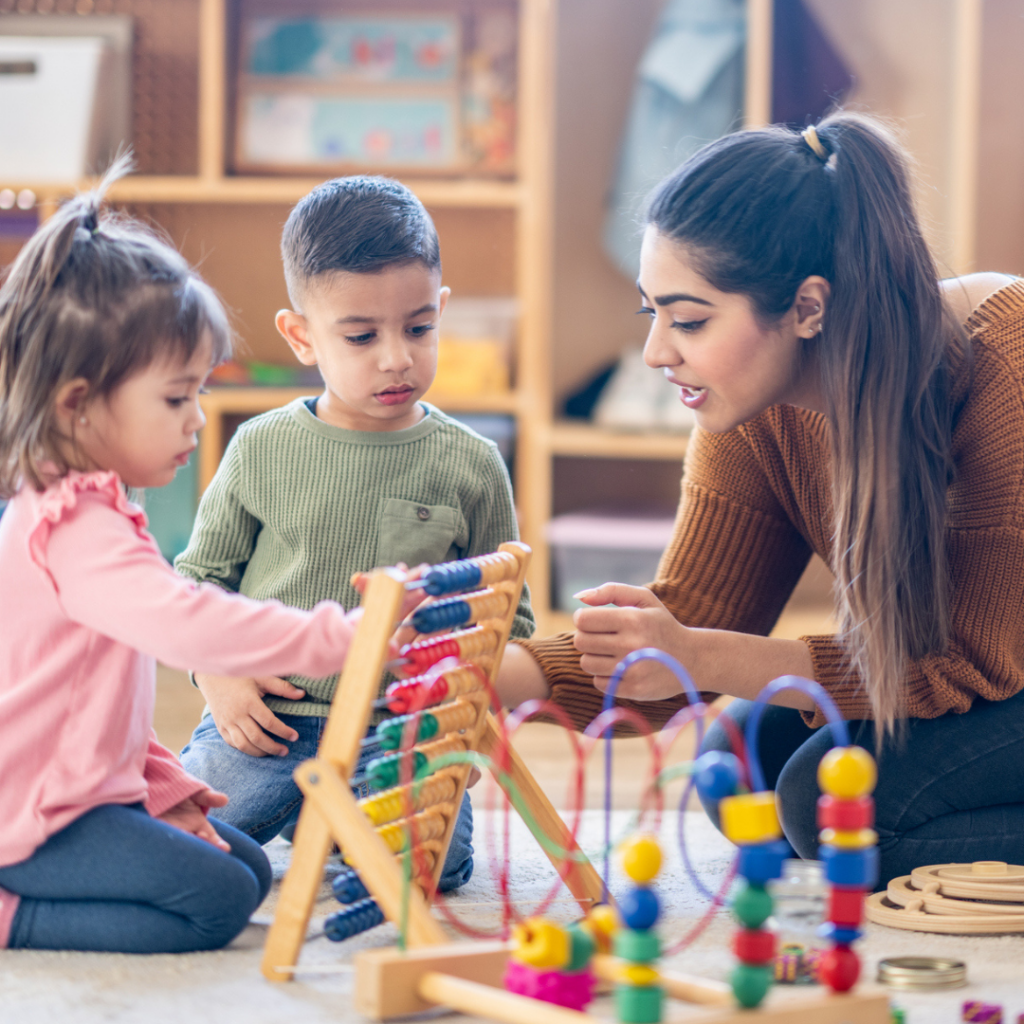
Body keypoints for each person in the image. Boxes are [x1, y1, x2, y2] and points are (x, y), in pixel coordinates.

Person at [497, 111, 1024, 886]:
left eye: (689, 320)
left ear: (809, 307)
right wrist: (494, 673)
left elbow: (970, 664)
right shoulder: (750, 405)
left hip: (997, 666)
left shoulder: (1004, 371)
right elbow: (694, 620)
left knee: (829, 807)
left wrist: (696, 653)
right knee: (738, 765)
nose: (656, 352)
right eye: (654, 314)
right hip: (977, 672)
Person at [0, 169, 375, 953]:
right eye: (176, 398)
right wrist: (344, 636)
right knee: (216, 904)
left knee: (239, 864)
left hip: (79, 791)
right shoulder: (74, 529)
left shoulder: (91, 506)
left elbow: (96, 710)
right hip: (33, 812)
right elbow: (190, 628)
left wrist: (164, 790)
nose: (199, 420)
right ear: (77, 404)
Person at [176, 175, 534, 891]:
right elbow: (195, 583)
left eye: (419, 327)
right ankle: (311, 816)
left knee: (429, 870)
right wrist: (218, 676)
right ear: (301, 335)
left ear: (442, 312)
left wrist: (451, 699)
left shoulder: (474, 464)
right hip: (267, 721)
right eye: (362, 335)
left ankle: (329, 824)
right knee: (176, 846)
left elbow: (510, 621)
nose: (396, 357)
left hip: (399, 735)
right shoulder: (259, 446)